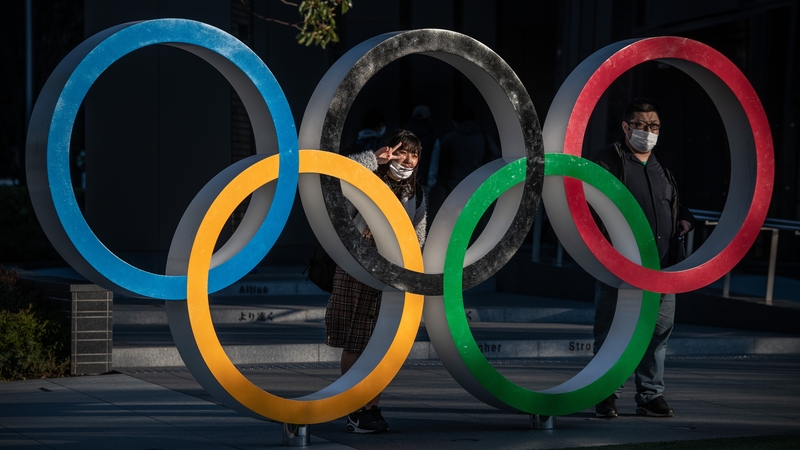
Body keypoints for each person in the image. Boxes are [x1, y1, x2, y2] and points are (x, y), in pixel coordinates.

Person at [590, 98, 695, 419]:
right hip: (621, 264)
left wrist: (684, 217)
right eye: (640, 125)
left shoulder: (664, 161)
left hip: (663, 266)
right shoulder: (608, 160)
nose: (647, 132)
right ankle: (606, 392)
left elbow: (672, 201)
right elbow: (588, 204)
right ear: (625, 126)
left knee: (658, 332)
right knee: (613, 330)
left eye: (654, 126)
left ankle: (650, 395)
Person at [324, 129, 427, 433]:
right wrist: (372, 159)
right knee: (356, 339)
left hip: (392, 273)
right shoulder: (366, 178)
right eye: (401, 152)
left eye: (414, 154)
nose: (407, 160)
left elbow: (418, 237)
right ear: (389, 151)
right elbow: (333, 174)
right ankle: (354, 407)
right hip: (358, 266)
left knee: (382, 343)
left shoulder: (416, 193)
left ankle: (373, 408)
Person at [436, 104, 499, 194]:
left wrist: (445, 182)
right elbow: (497, 154)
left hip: (455, 185)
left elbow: (443, 164)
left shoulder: (449, 138)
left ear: (454, 120)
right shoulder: (483, 137)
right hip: (479, 183)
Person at [403, 105, 440, 191]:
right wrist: (430, 183)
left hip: (403, 182)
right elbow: (433, 164)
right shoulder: (432, 139)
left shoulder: (403, 135)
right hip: (423, 182)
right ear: (429, 119)